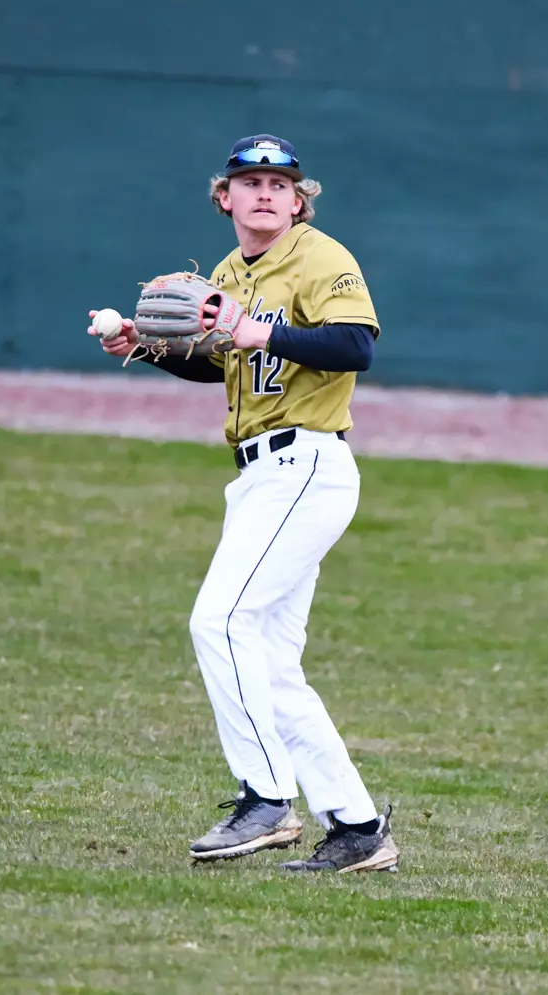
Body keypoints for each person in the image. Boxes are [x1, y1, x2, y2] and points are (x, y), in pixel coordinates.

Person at [87, 135, 397, 874]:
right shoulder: (228, 271)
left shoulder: (323, 256)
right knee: (271, 663)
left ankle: (265, 797)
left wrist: (259, 327)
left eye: (279, 182)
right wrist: (152, 346)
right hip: (260, 475)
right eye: (249, 180)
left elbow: (355, 346)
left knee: (219, 620)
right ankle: (357, 828)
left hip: (307, 463)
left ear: (298, 199)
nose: (265, 191)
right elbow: (227, 363)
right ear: (224, 197)